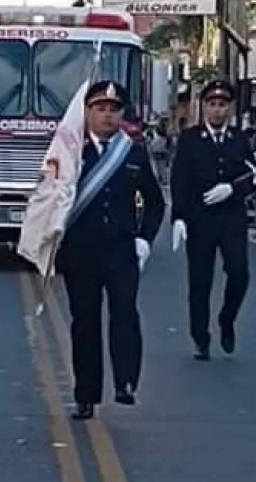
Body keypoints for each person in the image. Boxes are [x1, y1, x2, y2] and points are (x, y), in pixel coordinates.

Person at [55, 81, 164, 421]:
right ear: (87, 113)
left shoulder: (132, 152)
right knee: (85, 322)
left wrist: (145, 237)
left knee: (125, 313)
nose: (107, 115)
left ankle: (126, 381)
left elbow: (155, 202)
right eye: (100, 109)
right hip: (80, 251)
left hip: (120, 249)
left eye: (114, 110)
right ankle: (86, 394)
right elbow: (47, 197)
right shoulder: (69, 150)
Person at [170, 79, 256, 361]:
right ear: (204, 107)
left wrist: (233, 189)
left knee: (239, 274)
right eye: (212, 104)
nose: (218, 111)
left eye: (223, 105)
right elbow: (179, 180)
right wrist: (179, 217)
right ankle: (200, 337)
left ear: (230, 108)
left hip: (231, 218)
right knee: (200, 282)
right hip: (200, 219)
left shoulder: (239, 139)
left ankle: (227, 320)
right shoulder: (189, 139)